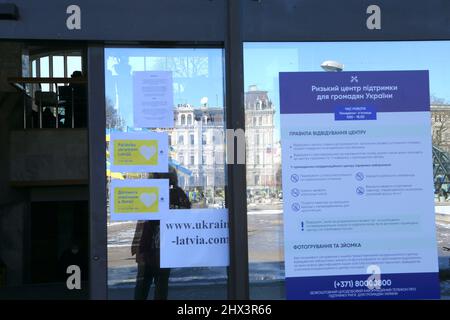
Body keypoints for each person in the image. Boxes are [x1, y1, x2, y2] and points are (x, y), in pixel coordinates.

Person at [131, 166, 191, 300]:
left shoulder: (154, 194)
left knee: (142, 287)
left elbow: (143, 223)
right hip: (165, 247)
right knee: (161, 286)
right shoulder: (179, 195)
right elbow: (186, 217)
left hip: (150, 247)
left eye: (153, 177)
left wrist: (137, 246)